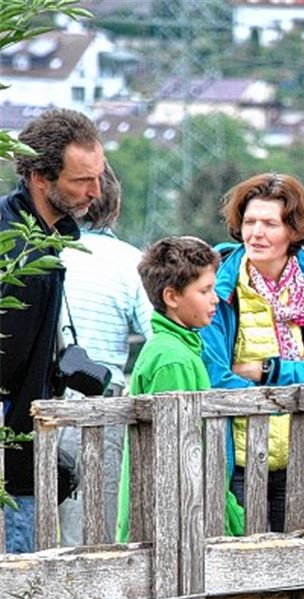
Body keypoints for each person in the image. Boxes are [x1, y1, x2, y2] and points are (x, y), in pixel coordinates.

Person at [200, 172, 304, 599]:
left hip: (302, 456)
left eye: (270, 222)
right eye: (249, 221)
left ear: (293, 230)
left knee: (297, 584)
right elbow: (217, 374)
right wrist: (303, 367)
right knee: (244, 585)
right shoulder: (222, 283)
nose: (256, 233)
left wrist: (269, 370)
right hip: (240, 460)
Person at [1, 109, 103, 556]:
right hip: (12, 454)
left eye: (98, 177)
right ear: (40, 177)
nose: (95, 192)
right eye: (82, 180)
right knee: (19, 593)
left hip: (24, 446)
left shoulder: (37, 235)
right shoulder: (19, 256)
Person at [115, 236, 244, 542]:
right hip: (177, 528)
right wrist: (226, 514)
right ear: (171, 297)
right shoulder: (174, 360)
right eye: (205, 290)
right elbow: (182, 458)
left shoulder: (178, 349)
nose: (215, 299)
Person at [58, 162, 151, 547]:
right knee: (92, 533)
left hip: (34, 396)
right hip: (99, 404)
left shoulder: (43, 250)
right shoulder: (131, 262)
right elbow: (158, 330)